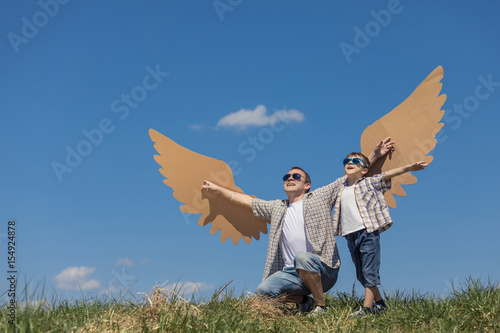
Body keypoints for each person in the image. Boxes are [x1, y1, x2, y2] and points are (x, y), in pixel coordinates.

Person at [201, 138, 394, 315]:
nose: (290, 178)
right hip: (291, 274)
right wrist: (218, 190)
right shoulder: (277, 207)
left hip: (323, 269)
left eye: (295, 176)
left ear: (307, 185)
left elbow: (349, 176)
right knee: (263, 292)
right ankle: (305, 302)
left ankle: (321, 306)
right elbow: (248, 202)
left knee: (302, 257)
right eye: (286, 176)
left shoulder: (319, 197)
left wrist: (375, 155)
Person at [332, 152, 427, 316]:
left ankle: (367, 309)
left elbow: (388, 174)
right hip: (350, 235)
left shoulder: (369, 182)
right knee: (361, 275)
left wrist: (410, 167)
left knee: (369, 272)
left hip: (368, 232)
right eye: (346, 161)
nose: (350, 162)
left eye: (355, 161)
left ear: (364, 170)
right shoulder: (340, 188)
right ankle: (381, 304)